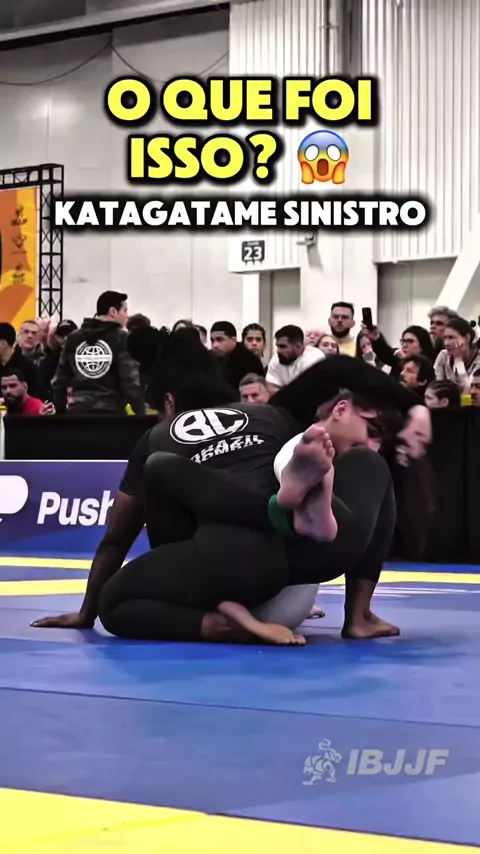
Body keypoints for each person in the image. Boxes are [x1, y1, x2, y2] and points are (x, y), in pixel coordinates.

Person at [33, 341, 431, 640]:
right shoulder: (270, 414)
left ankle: (215, 620)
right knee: (367, 463)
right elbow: (339, 367)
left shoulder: (155, 437)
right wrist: (413, 404)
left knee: (117, 601)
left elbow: (117, 537)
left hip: (215, 563)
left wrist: (88, 612)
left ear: (168, 403)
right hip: (295, 554)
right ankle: (359, 616)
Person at [52, 291, 145, 415]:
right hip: (111, 413)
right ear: (113, 312)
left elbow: (59, 381)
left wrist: (61, 412)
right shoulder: (122, 338)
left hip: (78, 414)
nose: (127, 316)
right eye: (125, 310)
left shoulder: (74, 338)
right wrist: (141, 413)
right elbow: (130, 381)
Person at [266, 325, 324, 392]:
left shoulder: (314, 359)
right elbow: (270, 388)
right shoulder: (277, 359)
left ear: (298, 347)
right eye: (277, 346)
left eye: (283, 346)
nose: (278, 351)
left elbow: (307, 392)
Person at [368, 325, 435, 381]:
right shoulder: (399, 357)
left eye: (410, 341)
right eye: (403, 341)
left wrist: (405, 361)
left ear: (422, 345)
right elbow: (386, 352)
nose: (404, 345)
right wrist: (376, 338)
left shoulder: (430, 365)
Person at [210, 321, 263, 388]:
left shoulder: (249, 361)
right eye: (212, 340)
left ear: (233, 340)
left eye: (220, 340)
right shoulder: (209, 357)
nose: (214, 345)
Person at [434, 317, 480, 392]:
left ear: (467, 338)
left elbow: (469, 391)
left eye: (451, 338)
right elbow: (437, 389)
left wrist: (458, 361)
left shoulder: (478, 360)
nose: (446, 343)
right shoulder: (443, 355)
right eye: (445, 338)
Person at [0, 322, 42, 399]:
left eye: (34, 333)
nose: (30, 336)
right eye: (26, 332)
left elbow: (37, 398)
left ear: (3, 344)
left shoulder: (28, 367)